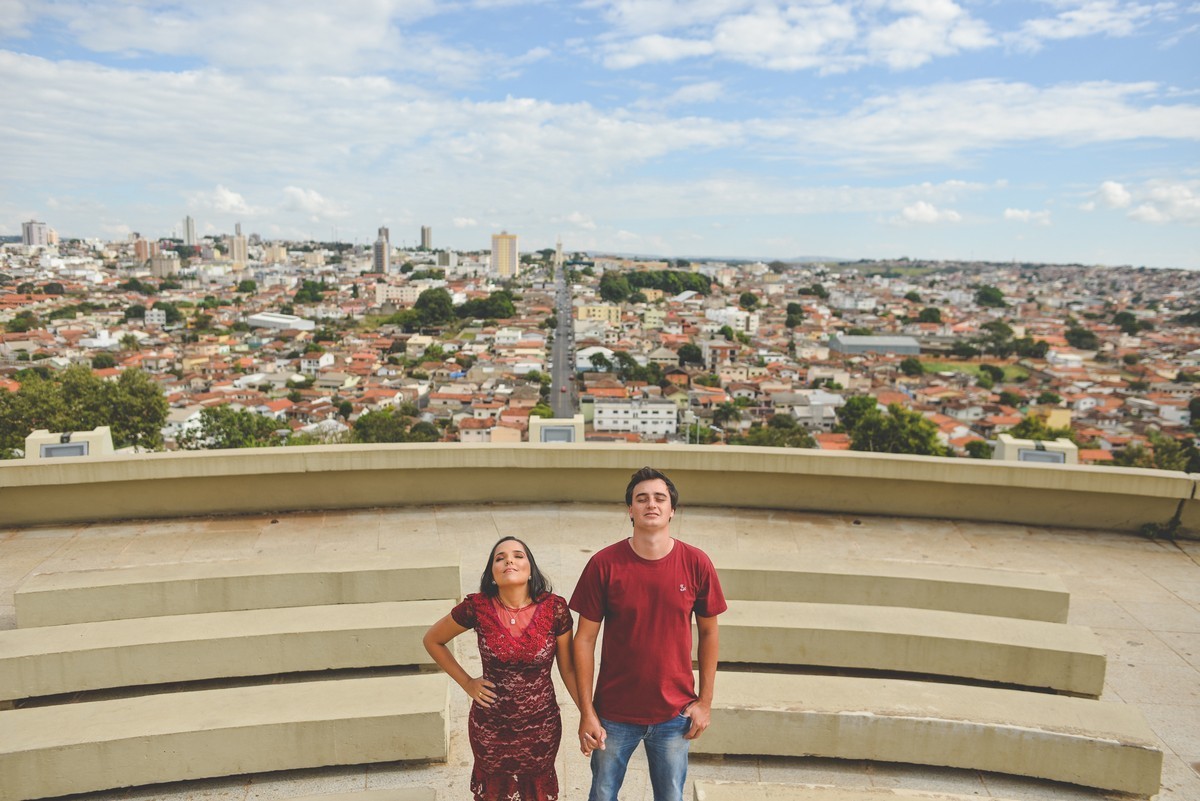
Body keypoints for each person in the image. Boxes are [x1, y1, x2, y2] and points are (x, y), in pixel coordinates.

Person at [570, 466, 727, 801]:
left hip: (675, 713)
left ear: (672, 510)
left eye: (659, 498)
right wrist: (587, 711)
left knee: (670, 796)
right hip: (613, 715)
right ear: (630, 510)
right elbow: (583, 640)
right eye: (641, 499)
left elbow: (710, 634)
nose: (651, 504)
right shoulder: (604, 564)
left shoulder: (696, 563)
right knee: (602, 794)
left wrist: (705, 702)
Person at [424, 536, 580, 801]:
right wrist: (467, 683)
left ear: (530, 570)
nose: (509, 560)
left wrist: (588, 713)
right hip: (490, 728)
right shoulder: (477, 607)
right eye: (500, 558)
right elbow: (432, 640)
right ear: (492, 575)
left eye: (518, 556)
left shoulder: (555, 608)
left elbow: (569, 670)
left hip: (540, 728)